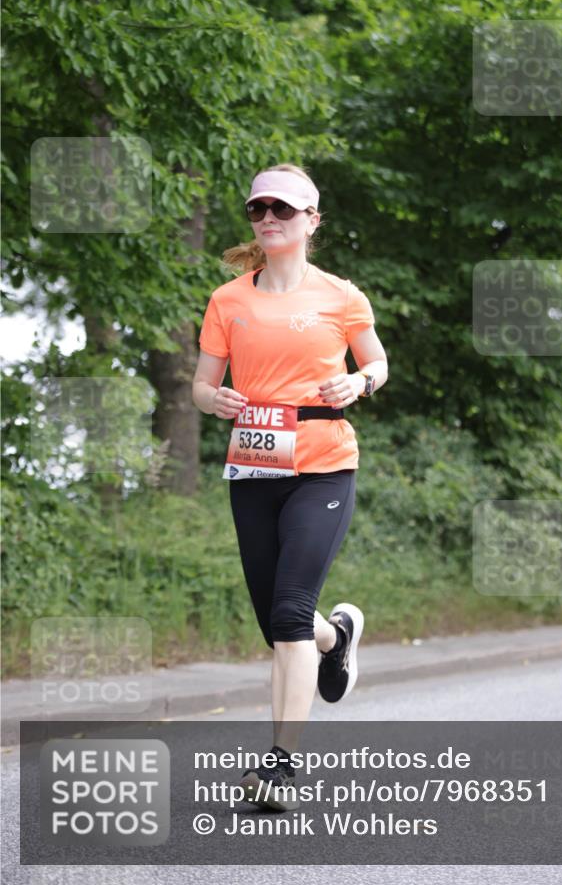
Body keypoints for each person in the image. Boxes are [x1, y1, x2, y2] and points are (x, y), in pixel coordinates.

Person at [192, 163, 388, 811]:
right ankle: (337, 640)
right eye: (258, 210)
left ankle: (280, 764)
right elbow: (199, 383)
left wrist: (357, 382)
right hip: (254, 456)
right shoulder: (228, 300)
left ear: (311, 220)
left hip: (325, 460)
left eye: (283, 209)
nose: (269, 218)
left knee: (286, 613)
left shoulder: (341, 296)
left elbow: (377, 361)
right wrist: (211, 399)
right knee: (277, 623)